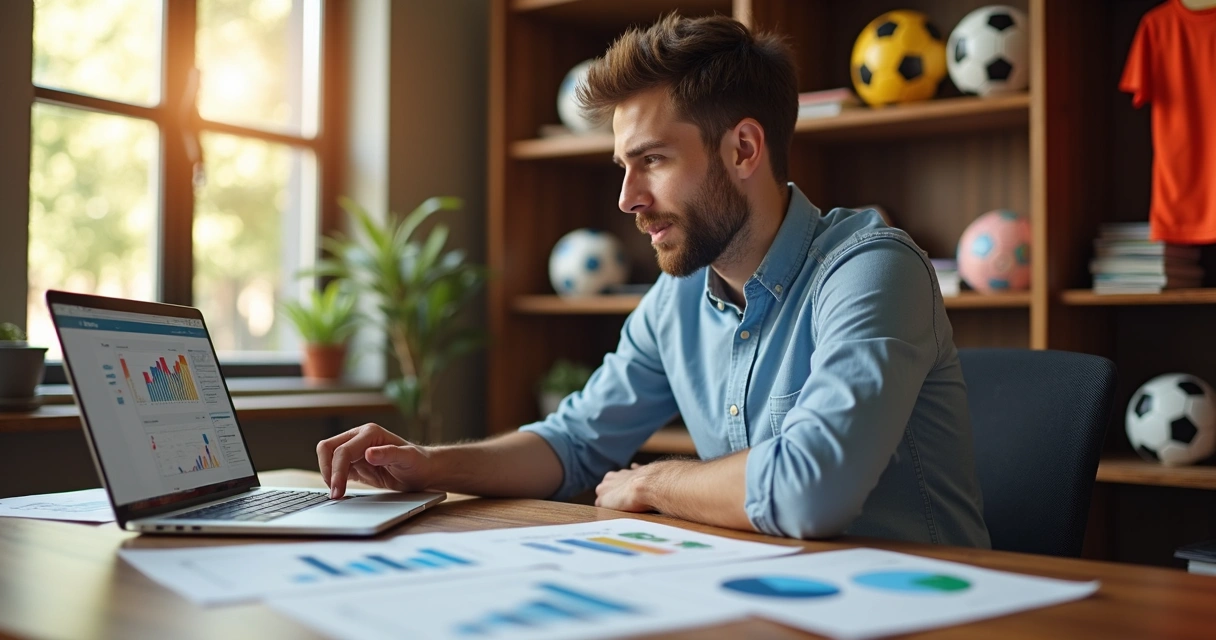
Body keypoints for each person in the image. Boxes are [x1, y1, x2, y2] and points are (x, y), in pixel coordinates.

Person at [316, 13, 990, 547]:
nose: (627, 198)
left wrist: (655, 482)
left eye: (653, 160)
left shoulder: (871, 268)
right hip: (772, 598)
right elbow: (575, 443)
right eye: (623, 166)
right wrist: (429, 463)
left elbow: (811, 490)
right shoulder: (679, 296)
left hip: (936, 607)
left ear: (743, 149)